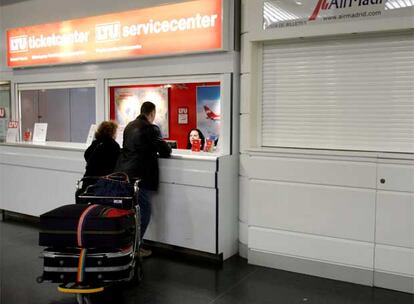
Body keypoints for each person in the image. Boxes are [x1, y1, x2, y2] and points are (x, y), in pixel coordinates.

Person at [116, 101, 171, 257]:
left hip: (124, 174)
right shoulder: (151, 129)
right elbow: (165, 151)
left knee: (130, 211)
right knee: (144, 212)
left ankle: (128, 245)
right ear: (152, 113)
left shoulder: (129, 126)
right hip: (140, 176)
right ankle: (135, 248)